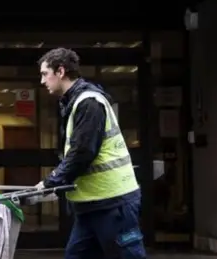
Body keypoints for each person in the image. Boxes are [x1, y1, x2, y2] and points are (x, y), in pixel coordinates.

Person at [35, 48, 146, 259]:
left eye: (44, 74)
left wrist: (51, 182)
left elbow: (82, 153)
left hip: (113, 203)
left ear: (60, 71)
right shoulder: (75, 102)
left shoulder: (88, 102)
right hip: (91, 205)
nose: (42, 81)